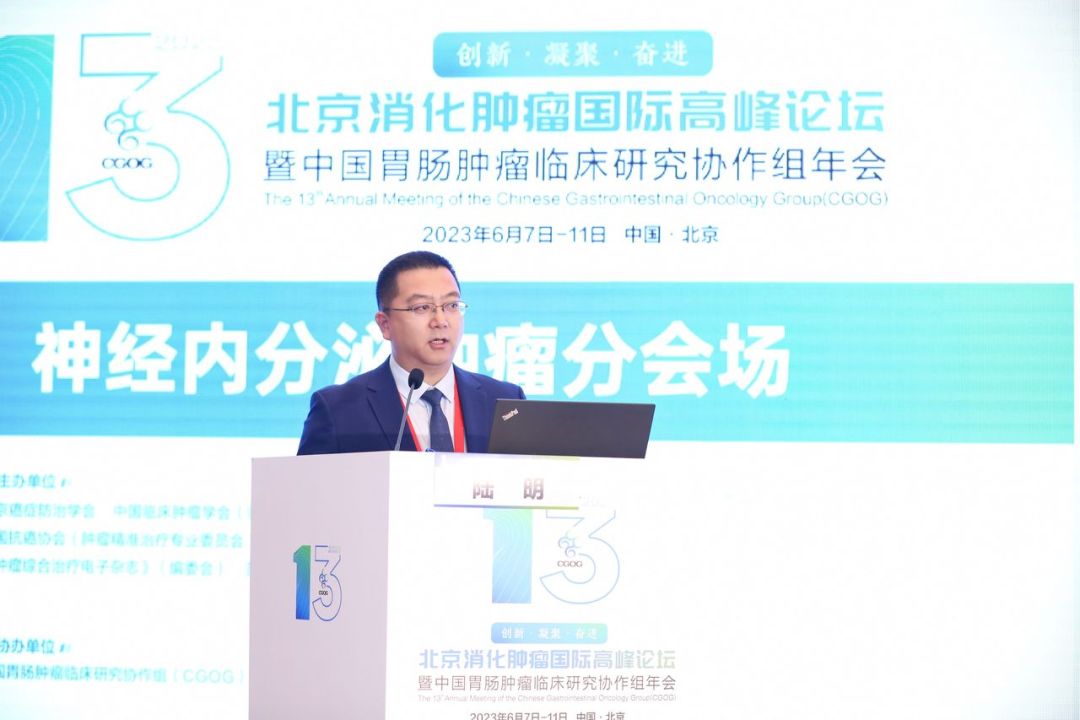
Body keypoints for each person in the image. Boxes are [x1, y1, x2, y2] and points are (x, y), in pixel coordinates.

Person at [297, 251, 525, 455]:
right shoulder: (339, 411)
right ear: (385, 324)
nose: (441, 321)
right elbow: (309, 488)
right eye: (422, 308)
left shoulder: (506, 402)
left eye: (451, 305)